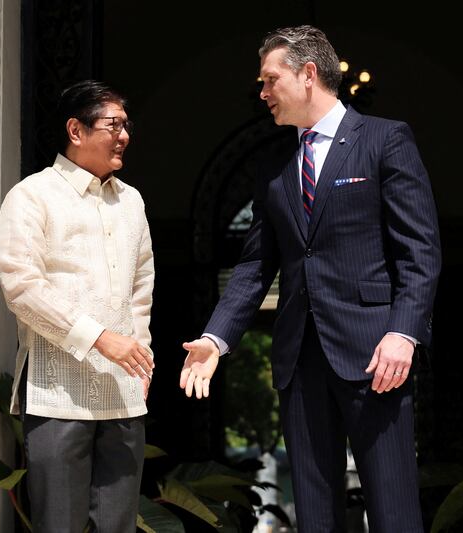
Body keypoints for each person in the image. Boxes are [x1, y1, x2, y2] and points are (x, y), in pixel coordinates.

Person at [180, 25, 441, 533]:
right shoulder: (275, 163)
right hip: (300, 361)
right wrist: (216, 337)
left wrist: (403, 333)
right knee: (315, 519)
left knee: (393, 514)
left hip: (376, 357)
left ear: (307, 74)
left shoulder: (386, 140)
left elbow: (421, 251)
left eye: (269, 79)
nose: (261, 93)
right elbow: (257, 265)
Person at [0, 79, 155, 532]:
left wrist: (141, 354)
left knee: (117, 526)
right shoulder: (32, 196)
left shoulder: (133, 202)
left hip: (123, 394)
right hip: (56, 392)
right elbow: (22, 289)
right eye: (113, 125)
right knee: (58, 526)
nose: (124, 135)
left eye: (127, 125)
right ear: (76, 129)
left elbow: (141, 288)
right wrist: (101, 339)